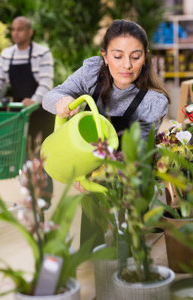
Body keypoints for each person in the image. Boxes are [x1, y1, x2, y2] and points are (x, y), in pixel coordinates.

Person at [42, 19, 170, 246]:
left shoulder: (152, 100)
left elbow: (139, 153)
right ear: (105, 56)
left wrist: (96, 173)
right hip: (93, 163)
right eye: (118, 56)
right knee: (93, 239)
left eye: (136, 56)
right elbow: (50, 96)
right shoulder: (92, 73)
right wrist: (62, 102)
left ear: (146, 57)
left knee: (128, 244)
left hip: (130, 175)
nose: (127, 65)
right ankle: (91, 257)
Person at [0, 16, 55, 147]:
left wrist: (34, 101)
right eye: (13, 29)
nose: (15, 33)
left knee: (42, 152)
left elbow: (46, 82)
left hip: (41, 111)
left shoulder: (42, 53)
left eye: (20, 29)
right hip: (19, 110)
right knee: (19, 150)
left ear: (30, 32)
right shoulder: (7, 54)